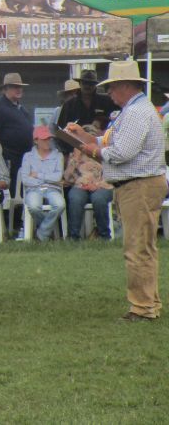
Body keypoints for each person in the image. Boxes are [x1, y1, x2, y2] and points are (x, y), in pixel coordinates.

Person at [68, 60, 166, 321]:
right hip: (138, 184)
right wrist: (84, 136)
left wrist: (88, 149)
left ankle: (142, 308)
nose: (109, 93)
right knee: (143, 247)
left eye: (112, 88)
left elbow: (121, 153)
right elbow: (109, 141)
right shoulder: (134, 110)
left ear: (125, 86)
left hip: (138, 185)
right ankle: (149, 303)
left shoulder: (135, 113)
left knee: (137, 249)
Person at [0, 72, 33, 229]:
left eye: (20, 87)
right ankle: (8, 224)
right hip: (8, 157)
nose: (18, 90)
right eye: (14, 87)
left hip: (24, 158)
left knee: (21, 190)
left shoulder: (22, 110)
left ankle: (19, 223)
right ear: (5, 89)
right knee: (10, 190)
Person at [63, 126, 112, 240]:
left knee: (98, 199)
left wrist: (97, 185)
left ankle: (103, 235)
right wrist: (75, 158)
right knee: (75, 198)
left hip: (102, 185)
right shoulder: (76, 155)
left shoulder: (103, 152)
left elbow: (111, 174)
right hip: (81, 185)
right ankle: (73, 236)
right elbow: (68, 178)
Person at [56, 69, 119, 153]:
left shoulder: (107, 101)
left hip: (101, 149)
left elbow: (117, 122)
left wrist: (101, 124)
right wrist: (66, 153)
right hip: (75, 150)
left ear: (95, 85)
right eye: (85, 83)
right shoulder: (69, 105)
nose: (87, 86)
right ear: (80, 83)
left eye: (91, 83)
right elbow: (61, 130)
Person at [20, 126, 65, 241]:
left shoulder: (58, 155)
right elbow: (25, 179)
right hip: (33, 189)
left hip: (52, 188)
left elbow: (57, 177)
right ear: (36, 140)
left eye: (49, 139)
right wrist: (45, 180)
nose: (48, 141)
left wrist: (38, 175)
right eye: (44, 139)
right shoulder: (28, 156)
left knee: (60, 205)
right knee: (34, 207)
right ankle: (46, 231)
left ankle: (41, 234)